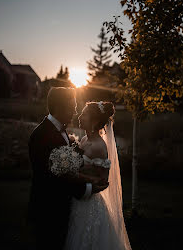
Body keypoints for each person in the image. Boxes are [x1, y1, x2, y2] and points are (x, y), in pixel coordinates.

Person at [28, 87, 108, 250]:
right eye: (73, 106)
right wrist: (88, 187)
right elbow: (51, 177)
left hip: (65, 211)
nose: (75, 111)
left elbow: (70, 168)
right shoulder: (40, 135)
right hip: (48, 212)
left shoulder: (64, 134)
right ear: (60, 107)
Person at [64, 101, 132, 250]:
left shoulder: (99, 147)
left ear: (94, 121)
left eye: (84, 114)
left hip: (91, 204)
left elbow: (103, 180)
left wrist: (76, 175)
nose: (79, 116)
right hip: (79, 198)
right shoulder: (84, 140)